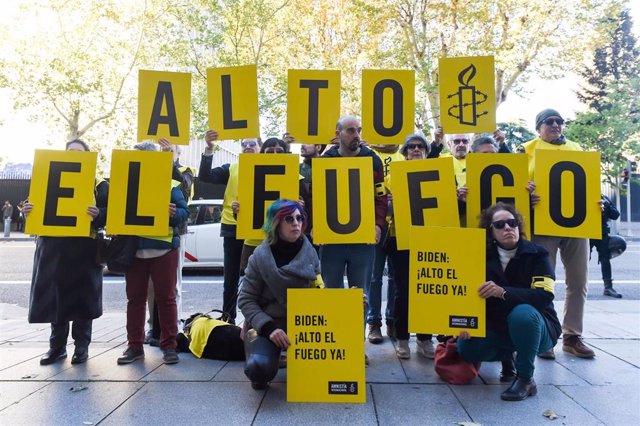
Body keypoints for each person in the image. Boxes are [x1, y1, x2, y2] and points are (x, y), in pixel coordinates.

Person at [457, 202, 561, 401]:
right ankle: (507, 357)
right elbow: (465, 296)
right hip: (498, 325)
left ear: (518, 226)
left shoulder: (538, 253)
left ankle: (525, 379)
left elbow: (544, 295)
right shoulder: (478, 255)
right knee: (466, 347)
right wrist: (462, 323)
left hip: (539, 327)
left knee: (522, 314)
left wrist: (503, 292)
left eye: (512, 223)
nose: (507, 227)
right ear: (490, 231)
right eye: (500, 225)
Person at [517, 108, 594, 359]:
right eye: (549, 122)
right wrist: (525, 194)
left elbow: (588, 182)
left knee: (579, 281)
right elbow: (514, 187)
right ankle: (545, 336)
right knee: (542, 282)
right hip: (542, 224)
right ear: (538, 127)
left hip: (577, 223)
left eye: (559, 121)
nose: (555, 125)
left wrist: (598, 202)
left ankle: (572, 335)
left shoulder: (577, 149)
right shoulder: (525, 150)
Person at [26, 139, 108, 365]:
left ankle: (81, 347)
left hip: (83, 248)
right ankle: (57, 347)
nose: (73, 155)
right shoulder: (48, 176)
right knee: (56, 299)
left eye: (79, 153)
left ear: (88, 157)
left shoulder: (99, 185)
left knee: (83, 300)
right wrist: (27, 210)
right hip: (54, 248)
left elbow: (112, 214)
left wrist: (99, 214)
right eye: (70, 152)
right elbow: (35, 206)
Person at [117, 141, 189, 366]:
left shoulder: (171, 185)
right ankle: (134, 346)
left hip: (164, 248)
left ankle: (169, 347)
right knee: (135, 300)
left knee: (166, 299)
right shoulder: (125, 183)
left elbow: (184, 213)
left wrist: (173, 213)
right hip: (135, 250)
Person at [237, 199, 322, 389]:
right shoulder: (259, 257)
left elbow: (319, 293)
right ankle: (268, 354)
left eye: (300, 218)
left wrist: (349, 301)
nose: (296, 223)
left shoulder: (311, 253)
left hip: (303, 325)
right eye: (289, 219)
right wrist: (269, 328)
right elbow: (246, 299)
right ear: (276, 223)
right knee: (258, 370)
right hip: (269, 324)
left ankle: (284, 356)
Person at [198, 131, 261, 324]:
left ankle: (259, 320)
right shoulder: (232, 168)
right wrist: (209, 149)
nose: (248, 147)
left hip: (258, 229)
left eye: (252, 144)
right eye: (244, 144)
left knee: (262, 277)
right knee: (231, 279)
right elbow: (205, 176)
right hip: (233, 227)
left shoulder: (271, 169)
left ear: (261, 148)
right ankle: (228, 319)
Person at [319, 116, 387, 289]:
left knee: (361, 295)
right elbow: (316, 197)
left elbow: (380, 197)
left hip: (363, 242)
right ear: (338, 134)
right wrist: (315, 226)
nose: (356, 135)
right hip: (331, 241)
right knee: (331, 293)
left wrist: (378, 225)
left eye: (359, 130)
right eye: (351, 130)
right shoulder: (325, 161)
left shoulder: (374, 161)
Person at [389, 134, 437, 359]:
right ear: (404, 152)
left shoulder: (439, 174)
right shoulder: (392, 177)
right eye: (411, 147)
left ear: (427, 151)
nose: (416, 150)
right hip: (401, 239)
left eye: (420, 147)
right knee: (403, 290)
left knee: (427, 289)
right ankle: (402, 338)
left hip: (429, 238)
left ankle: (425, 338)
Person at [145, 138, 195, 346]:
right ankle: (152, 325)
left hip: (174, 232)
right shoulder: (150, 170)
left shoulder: (185, 170)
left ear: (178, 153)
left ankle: (172, 323)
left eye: (171, 150)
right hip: (148, 231)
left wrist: (170, 162)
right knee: (149, 286)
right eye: (163, 150)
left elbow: (184, 191)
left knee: (172, 282)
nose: (166, 152)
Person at [366, 142, 404, 343]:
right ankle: (374, 322)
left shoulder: (406, 155)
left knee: (395, 278)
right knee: (374, 277)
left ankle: (392, 320)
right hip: (377, 225)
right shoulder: (368, 154)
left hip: (400, 230)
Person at [590, 194, 622, 298]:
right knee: (583, 260)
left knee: (605, 259)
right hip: (587, 233)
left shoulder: (603, 197)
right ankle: (578, 287)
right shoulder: (582, 193)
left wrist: (606, 205)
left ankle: (608, 287)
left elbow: (615, 214)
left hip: (602, 232)